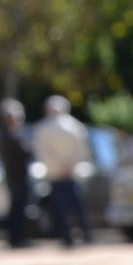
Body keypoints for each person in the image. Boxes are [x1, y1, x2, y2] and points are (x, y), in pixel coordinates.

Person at [31, 95, 94, 247]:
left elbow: (42, 152)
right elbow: (82, 150)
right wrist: (70, 165)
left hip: (55, 173)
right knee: (76, 205)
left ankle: (67, 235)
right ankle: (86, 233)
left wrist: (58, 166)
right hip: (71, 173)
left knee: (61, 207)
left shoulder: (43, 128)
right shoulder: (75, 126)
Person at [0, 98, 33, 250]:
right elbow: (26, 153)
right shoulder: (11, 136)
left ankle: (16, 237)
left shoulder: (4, 135)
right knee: (17, 208)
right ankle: (16, 238)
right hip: (17, 177)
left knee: (16, 208)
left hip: (13, 177)